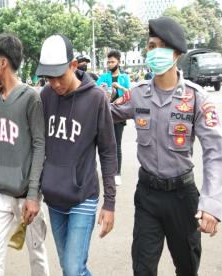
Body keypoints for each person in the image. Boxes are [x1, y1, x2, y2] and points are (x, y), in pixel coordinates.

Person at [110, 16, 222, 276]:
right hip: (147, 195)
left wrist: (212, 203)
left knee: (186, 267)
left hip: (183, 198)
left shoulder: (196, 98)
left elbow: (215, 153)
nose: (153, 52)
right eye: (150, 46)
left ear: (177, 53)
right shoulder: (137, 94)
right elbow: (104, 113)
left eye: (161, 46)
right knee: (143, 268)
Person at [36, 34, 117, 276]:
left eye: (59, 76)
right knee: (70, 267)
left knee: (72, 268)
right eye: (49, 78)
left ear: (73, 66)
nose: (55, 84)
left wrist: (110, 202)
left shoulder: (96, 99)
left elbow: (108, 151)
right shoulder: (46, 96)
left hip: (83, 195)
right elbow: (39, 145)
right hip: (54, 196)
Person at [0, 33, 49, 276]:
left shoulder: (30, 97)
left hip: (26, 196)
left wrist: (33, 194)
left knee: (38, 258)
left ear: (3, 63)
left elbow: (39, 146)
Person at [97, 50, 130, 186]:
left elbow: (129, 94)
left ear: (119, 62)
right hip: (104, 114)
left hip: (119, 115)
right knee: (104, 144)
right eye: (108, 62)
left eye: (112, 62)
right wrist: (104, 89)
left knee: (117, 144)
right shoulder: (104, 76)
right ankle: (106, 171)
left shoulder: (124, 78)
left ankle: (117, 173)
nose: (110, 64)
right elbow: (95, 87)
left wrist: (119, 87)